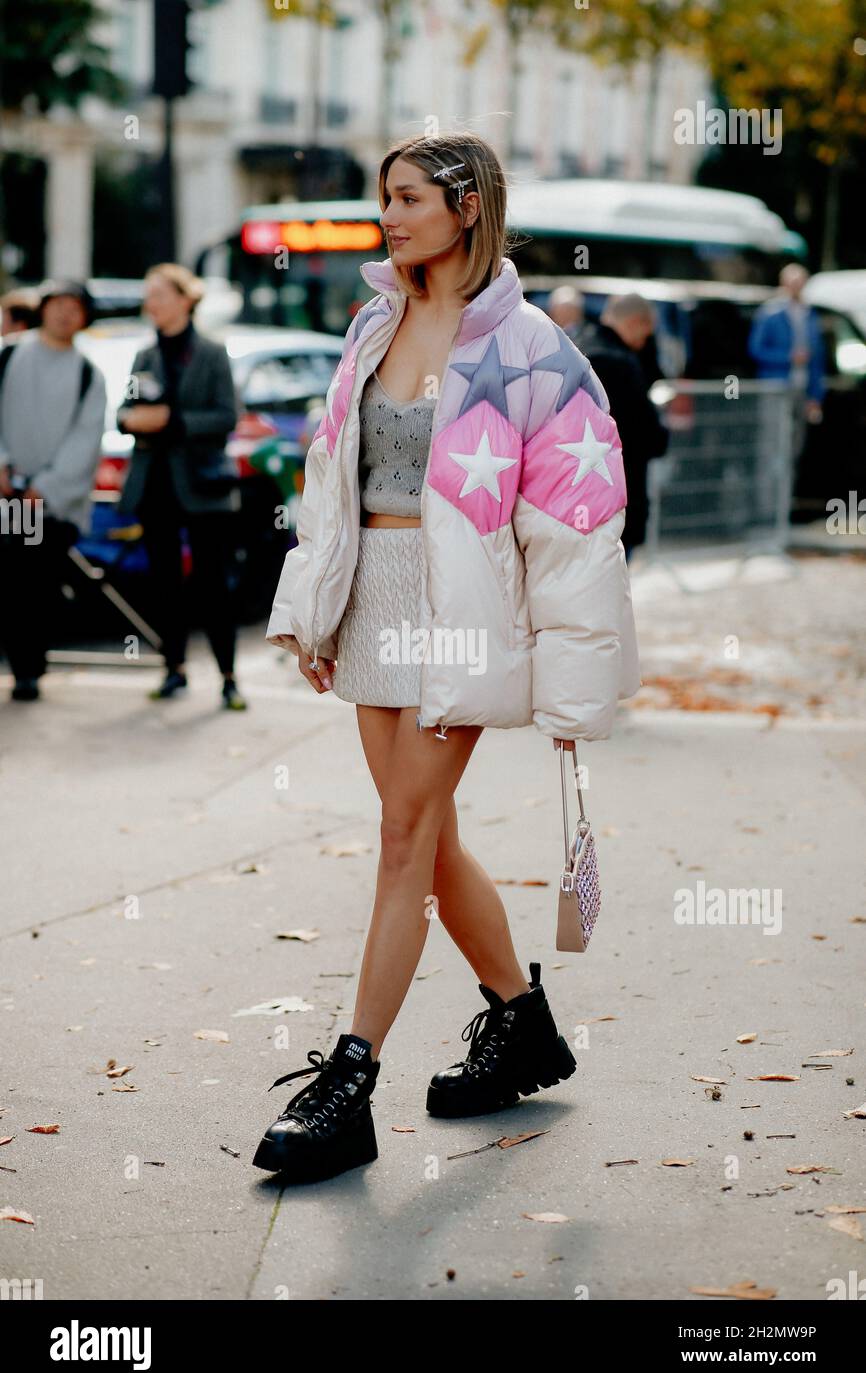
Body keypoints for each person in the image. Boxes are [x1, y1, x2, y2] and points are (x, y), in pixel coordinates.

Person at [253, 132, 640, 1185]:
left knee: (400, 838)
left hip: (456, 612)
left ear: (466, 208)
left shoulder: (531, 351)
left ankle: (348, 1081)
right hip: (373, 599)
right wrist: (316, 613)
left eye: (409, 197)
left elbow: (576, 528)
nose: (390, 214)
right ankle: (521, 1024)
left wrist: (574, 681)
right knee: (430, 838)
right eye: (386, 197)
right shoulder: (371, 319)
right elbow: (329, 478)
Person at [116, 263, 247, 710]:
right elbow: (124, 411)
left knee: (213, 584)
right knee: (163, 584)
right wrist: (129, 420)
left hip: (203, 486)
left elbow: (227, 416)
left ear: (184, 299)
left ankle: (228, 677)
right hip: (154, 485)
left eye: (159, 294)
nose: (150, 303)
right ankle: (173, 670)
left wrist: (174, 422)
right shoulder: (144, 356)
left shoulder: (211, 352)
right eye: (149, 295)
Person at [0, 279, 106, 701]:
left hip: (49, 505)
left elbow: (86, 439)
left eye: (74, 306)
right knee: (8, 579)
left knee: (35, 583)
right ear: (42, 308)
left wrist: (44, 487)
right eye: (57, 304)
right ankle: (20, 664)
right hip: (5, 494)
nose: (64, 313)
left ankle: (29, 670)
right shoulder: (8, 355)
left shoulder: (87, 374)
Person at [578, 294, 669, 562]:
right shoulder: (620, 363)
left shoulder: (576, 346)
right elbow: (647, 434)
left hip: (571, 494)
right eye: (646, 335)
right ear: (635, 323)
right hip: (615, 496)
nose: (646, 342)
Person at [747, 262, 826, 462]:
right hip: (777, 387)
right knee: (773, 441)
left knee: (795, 445)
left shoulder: (809, 314)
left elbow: (817, 358)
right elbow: (756, 350)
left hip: (801, 386)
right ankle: (770, 490)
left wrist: (815, 396)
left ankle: (786, 491)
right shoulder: (770, 313)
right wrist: (788, 357)